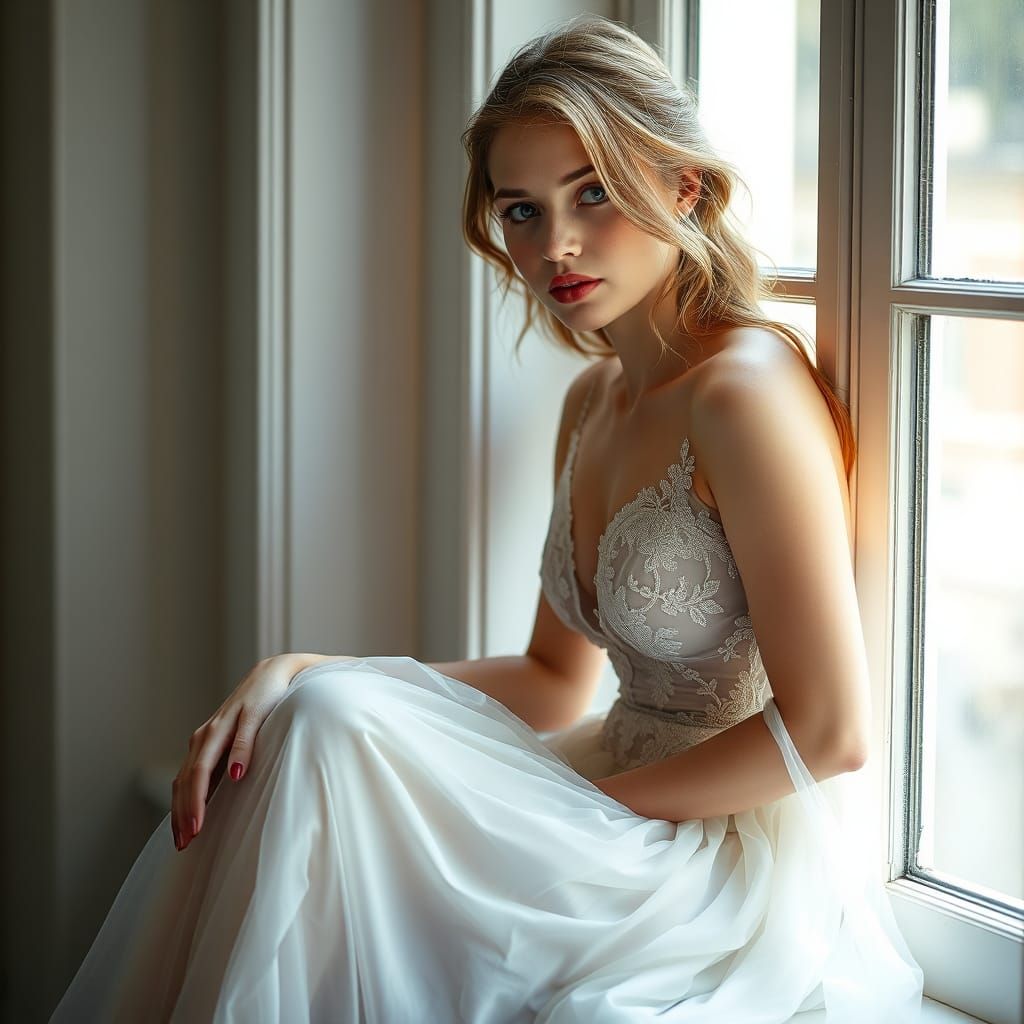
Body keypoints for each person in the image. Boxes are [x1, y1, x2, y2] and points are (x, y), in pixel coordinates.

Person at [50, 13, 924, 1023]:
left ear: (681, 185)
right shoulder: (592, 405)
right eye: (520, 210)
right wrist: (310, 668)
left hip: (709, 853)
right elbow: (555, 682)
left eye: (592, 193)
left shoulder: (744, 393)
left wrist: (572, 810)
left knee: (336, 744)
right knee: (312, 722)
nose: (554, 243)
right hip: (598, 796)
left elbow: (831, 731)